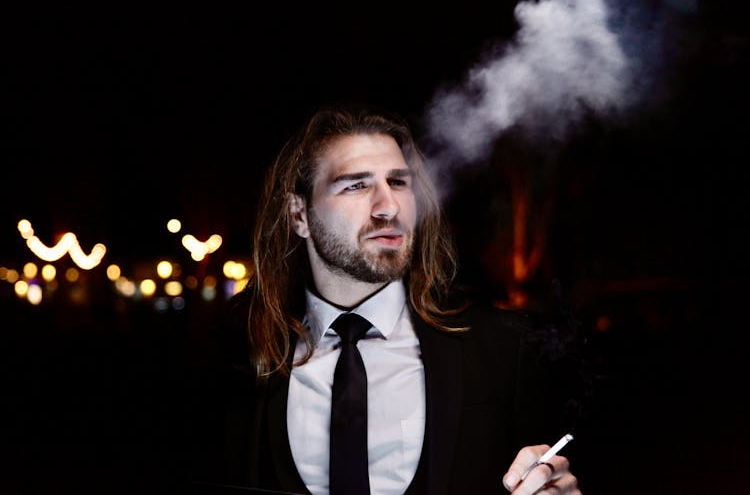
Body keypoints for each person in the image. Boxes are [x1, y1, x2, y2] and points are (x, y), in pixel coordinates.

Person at [206, 103, 581, 494]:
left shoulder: (505, 350)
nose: (388, 206)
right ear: (298, 214)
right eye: (356, 185)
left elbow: (552, 472)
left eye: (399, 183)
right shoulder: (234, 362)